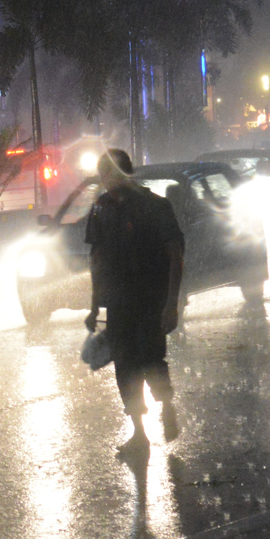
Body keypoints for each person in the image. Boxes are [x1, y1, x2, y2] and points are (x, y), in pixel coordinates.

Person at [84, 149, 185, 458]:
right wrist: (94, 305)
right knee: (126, 367)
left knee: (151, 358)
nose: (106, 182)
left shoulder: (155, 206)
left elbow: (175, 256)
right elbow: (97, 259)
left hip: (150, 299)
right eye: (103, 176)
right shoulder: (101, 210)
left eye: (110, 174)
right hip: (119, 303)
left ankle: (166, 404)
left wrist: (171, 303)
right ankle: (139, 434)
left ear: (124, 174)